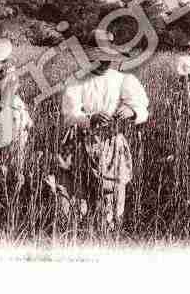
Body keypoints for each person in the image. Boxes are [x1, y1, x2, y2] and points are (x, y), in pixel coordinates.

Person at [59, 30, 149, 231]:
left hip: (112, 143)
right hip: (80, 142)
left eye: (107, 59)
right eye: (97, 59)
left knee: (112, 193)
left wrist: (131, 111)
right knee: (78, 193)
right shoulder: (76, 81)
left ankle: (107, 233)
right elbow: (69, 114)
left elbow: (142, 107)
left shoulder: (123, 80)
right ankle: (78, 232)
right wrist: (90, 119)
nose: (102, 63)